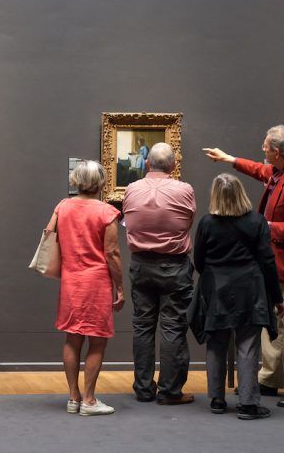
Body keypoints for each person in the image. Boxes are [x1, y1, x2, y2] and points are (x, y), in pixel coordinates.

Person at [203, 125, 284, 408]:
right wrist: (229, 159)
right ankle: (269, 379)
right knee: (271, 326)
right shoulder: (280, 171)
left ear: (277, 152)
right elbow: (260, 170)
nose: (262, 150)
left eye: (266, 147)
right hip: (273, 266)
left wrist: (265, 227)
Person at [193, 173, 284, 420]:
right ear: (241, 193)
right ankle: (247, 404)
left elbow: (199, 261)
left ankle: (216, 399)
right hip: (249, 290)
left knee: (216, 344)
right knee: (248, 346)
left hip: (216, 289)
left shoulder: (206, 223)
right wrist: (277, 298)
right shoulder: (256, 221)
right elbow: (267, 261)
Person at [122, 142, 196, 405]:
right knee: (173, 327)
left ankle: (143, 389)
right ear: (173, 166)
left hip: (141, 265)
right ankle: (169, 391)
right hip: (174, 266)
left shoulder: (132, 189)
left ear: (147, 164)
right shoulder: (184, 190)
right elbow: (187, 222)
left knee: (142, 327)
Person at [50, 161, 125, 416]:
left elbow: (50, 235)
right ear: (101, 182)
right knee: (97, 341)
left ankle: (73, 397)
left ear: (76, 180)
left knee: (72, 338)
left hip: (71, 281)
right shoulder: (107, 213)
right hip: (96, 283)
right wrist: (120, 288)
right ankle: (89, 401)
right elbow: (112, 253)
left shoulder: (62, 206)